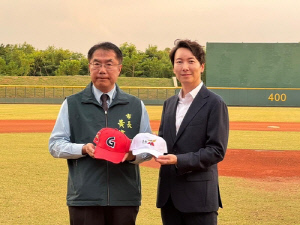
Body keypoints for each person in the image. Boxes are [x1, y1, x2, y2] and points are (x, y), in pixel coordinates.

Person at [49, 42, 152, 225]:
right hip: (85, 197)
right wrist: (83, 148)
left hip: (125, 196)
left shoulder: (136, 105)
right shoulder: (72, 104)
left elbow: (147, 148)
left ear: (119, 69)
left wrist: (131, 156)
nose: (102, 70)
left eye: (109, 64)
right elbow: (55, 145)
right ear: (89, 67)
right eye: (96, 64)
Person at [155, 39, 229, 225]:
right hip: (169, 198)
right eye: (179, 61)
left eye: (191, 61)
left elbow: (216, 151)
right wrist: (142, 145)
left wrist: (179, 160)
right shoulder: (169, 104)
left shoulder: (214, 103)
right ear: (173, 68)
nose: (184, 67)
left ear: (202, 66)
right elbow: (163, 142)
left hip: (199, 199)